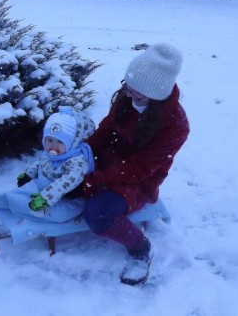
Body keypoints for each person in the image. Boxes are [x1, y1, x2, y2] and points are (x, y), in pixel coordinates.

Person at [79, 43, 189, 286]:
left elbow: (139, 168)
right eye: (127, 87)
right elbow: (105, 132)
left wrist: (96, 180)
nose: (128, 95)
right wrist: (82, 154)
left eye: (136, 93)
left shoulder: (176, 126)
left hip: (138, 183)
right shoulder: (126, 99)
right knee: (64, 180)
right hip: (107, 165)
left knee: (98, 214)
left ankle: (140, 249)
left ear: (156, 95)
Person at [0, 106, 95, 244]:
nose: (53, 146)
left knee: (58, 214)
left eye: (60, 142)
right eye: (50, 140)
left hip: (67, 199)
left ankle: (20, 206)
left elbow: (65, 183)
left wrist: (45, 198)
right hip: (44, 188)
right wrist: (28, 174)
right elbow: (42, 162)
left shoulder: (77, 161)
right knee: (25, 192)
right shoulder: (53, 153)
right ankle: (12, 201)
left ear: (72, 142)